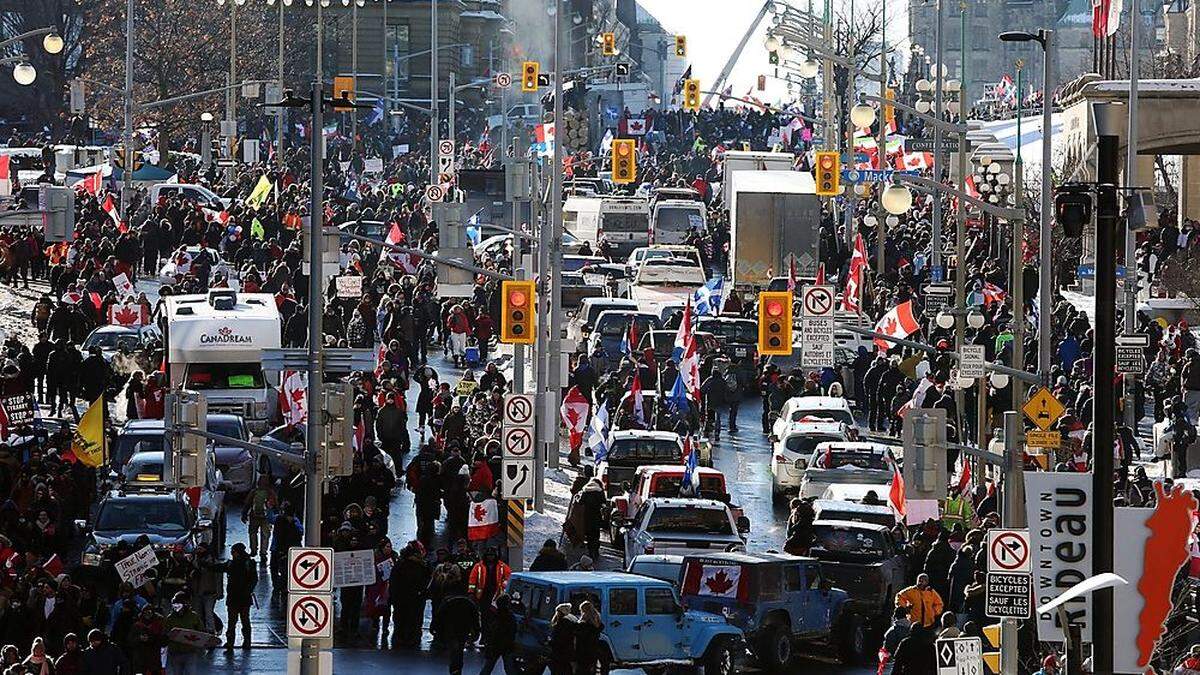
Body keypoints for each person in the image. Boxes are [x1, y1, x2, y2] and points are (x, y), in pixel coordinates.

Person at [435, 592, 480, 675]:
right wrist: (476, 634)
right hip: (463, 629)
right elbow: (475, 621)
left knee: (455, 649)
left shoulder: (447, 602)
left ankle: (455, 668)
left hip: (451, 628)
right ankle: (456, 669)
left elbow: (439, 616)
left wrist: (436, 629)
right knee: (459, 649)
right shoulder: (470, 605)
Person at [223, 542, 258, 649]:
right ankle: (245, 642)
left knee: (234, 621)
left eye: (233, 552)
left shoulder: (243, 564)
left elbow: (254, 579)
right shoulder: (246, 563)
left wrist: (247, 591)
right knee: (243, 621)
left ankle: (232, 642)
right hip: (241, 597)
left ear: (237, 552)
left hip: (238, 597)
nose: (232, 554)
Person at [163, 592, 205, 675]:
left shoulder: (193, 617)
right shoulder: (170, 618)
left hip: (190, 651)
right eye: (175, 604)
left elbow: (201, 632)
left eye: (179, 604)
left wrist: (200, 645)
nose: (176, 607)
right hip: (175, 652)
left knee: (190, 673)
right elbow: (166, 634)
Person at [477, 594, 518, 675]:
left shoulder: (495, 615)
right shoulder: (510, 617)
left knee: (488, 667)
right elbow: (513, 631)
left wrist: (489, 643)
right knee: (509, 668)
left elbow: (490, 630)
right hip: (506, 646)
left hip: (495, 646)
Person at [242, 476, 277, 565]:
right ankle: (263, 553)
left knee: (253, 533)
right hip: (266, 518)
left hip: (254, 516)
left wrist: (244, 514)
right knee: (265, 535)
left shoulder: (254, 492)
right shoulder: (271, 493)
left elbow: (247, 503)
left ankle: (254, 550)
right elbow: (276, 505)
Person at [574, 601, 603, 675]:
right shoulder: (596, 623)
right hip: (593, 650)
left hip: (583, 652)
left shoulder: (583, 625)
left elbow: (580, 638)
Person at [548, 604, 576, 675]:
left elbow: (560, 640)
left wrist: (550, 642)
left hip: (559, 655)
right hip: (567, 655)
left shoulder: (562, 624)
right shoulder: (572, 621)